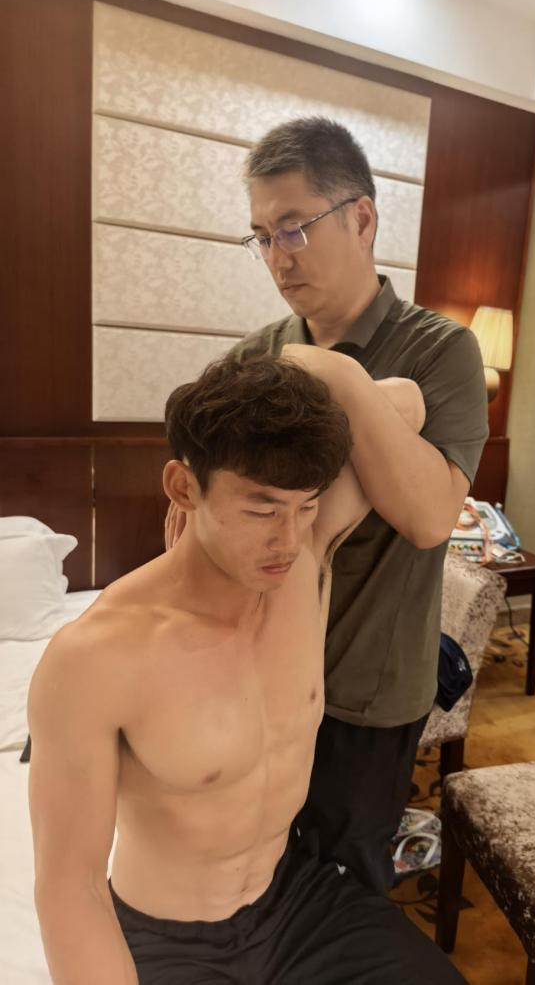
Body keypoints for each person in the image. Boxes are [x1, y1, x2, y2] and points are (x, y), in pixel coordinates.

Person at [28, 351, 466, 985]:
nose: (287, 540)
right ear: (184, 488)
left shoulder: (306, 559)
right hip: (168, 935)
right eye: (262, 510)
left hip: (294, 899)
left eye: (307, 506)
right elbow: (70, 887)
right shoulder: (94, 660)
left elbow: (408, 402)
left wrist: (325, 375)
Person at [173, 115, 488, 894]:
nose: (277, 258)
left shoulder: (438, 350)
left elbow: (427, 517)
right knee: (250, 871)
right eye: (260, 237)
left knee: (342, 888)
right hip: (256, 674)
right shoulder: (255, 357)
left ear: (361, 217)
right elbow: (194, 522)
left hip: (366, 694)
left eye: (293, 228)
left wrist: (341, 378)